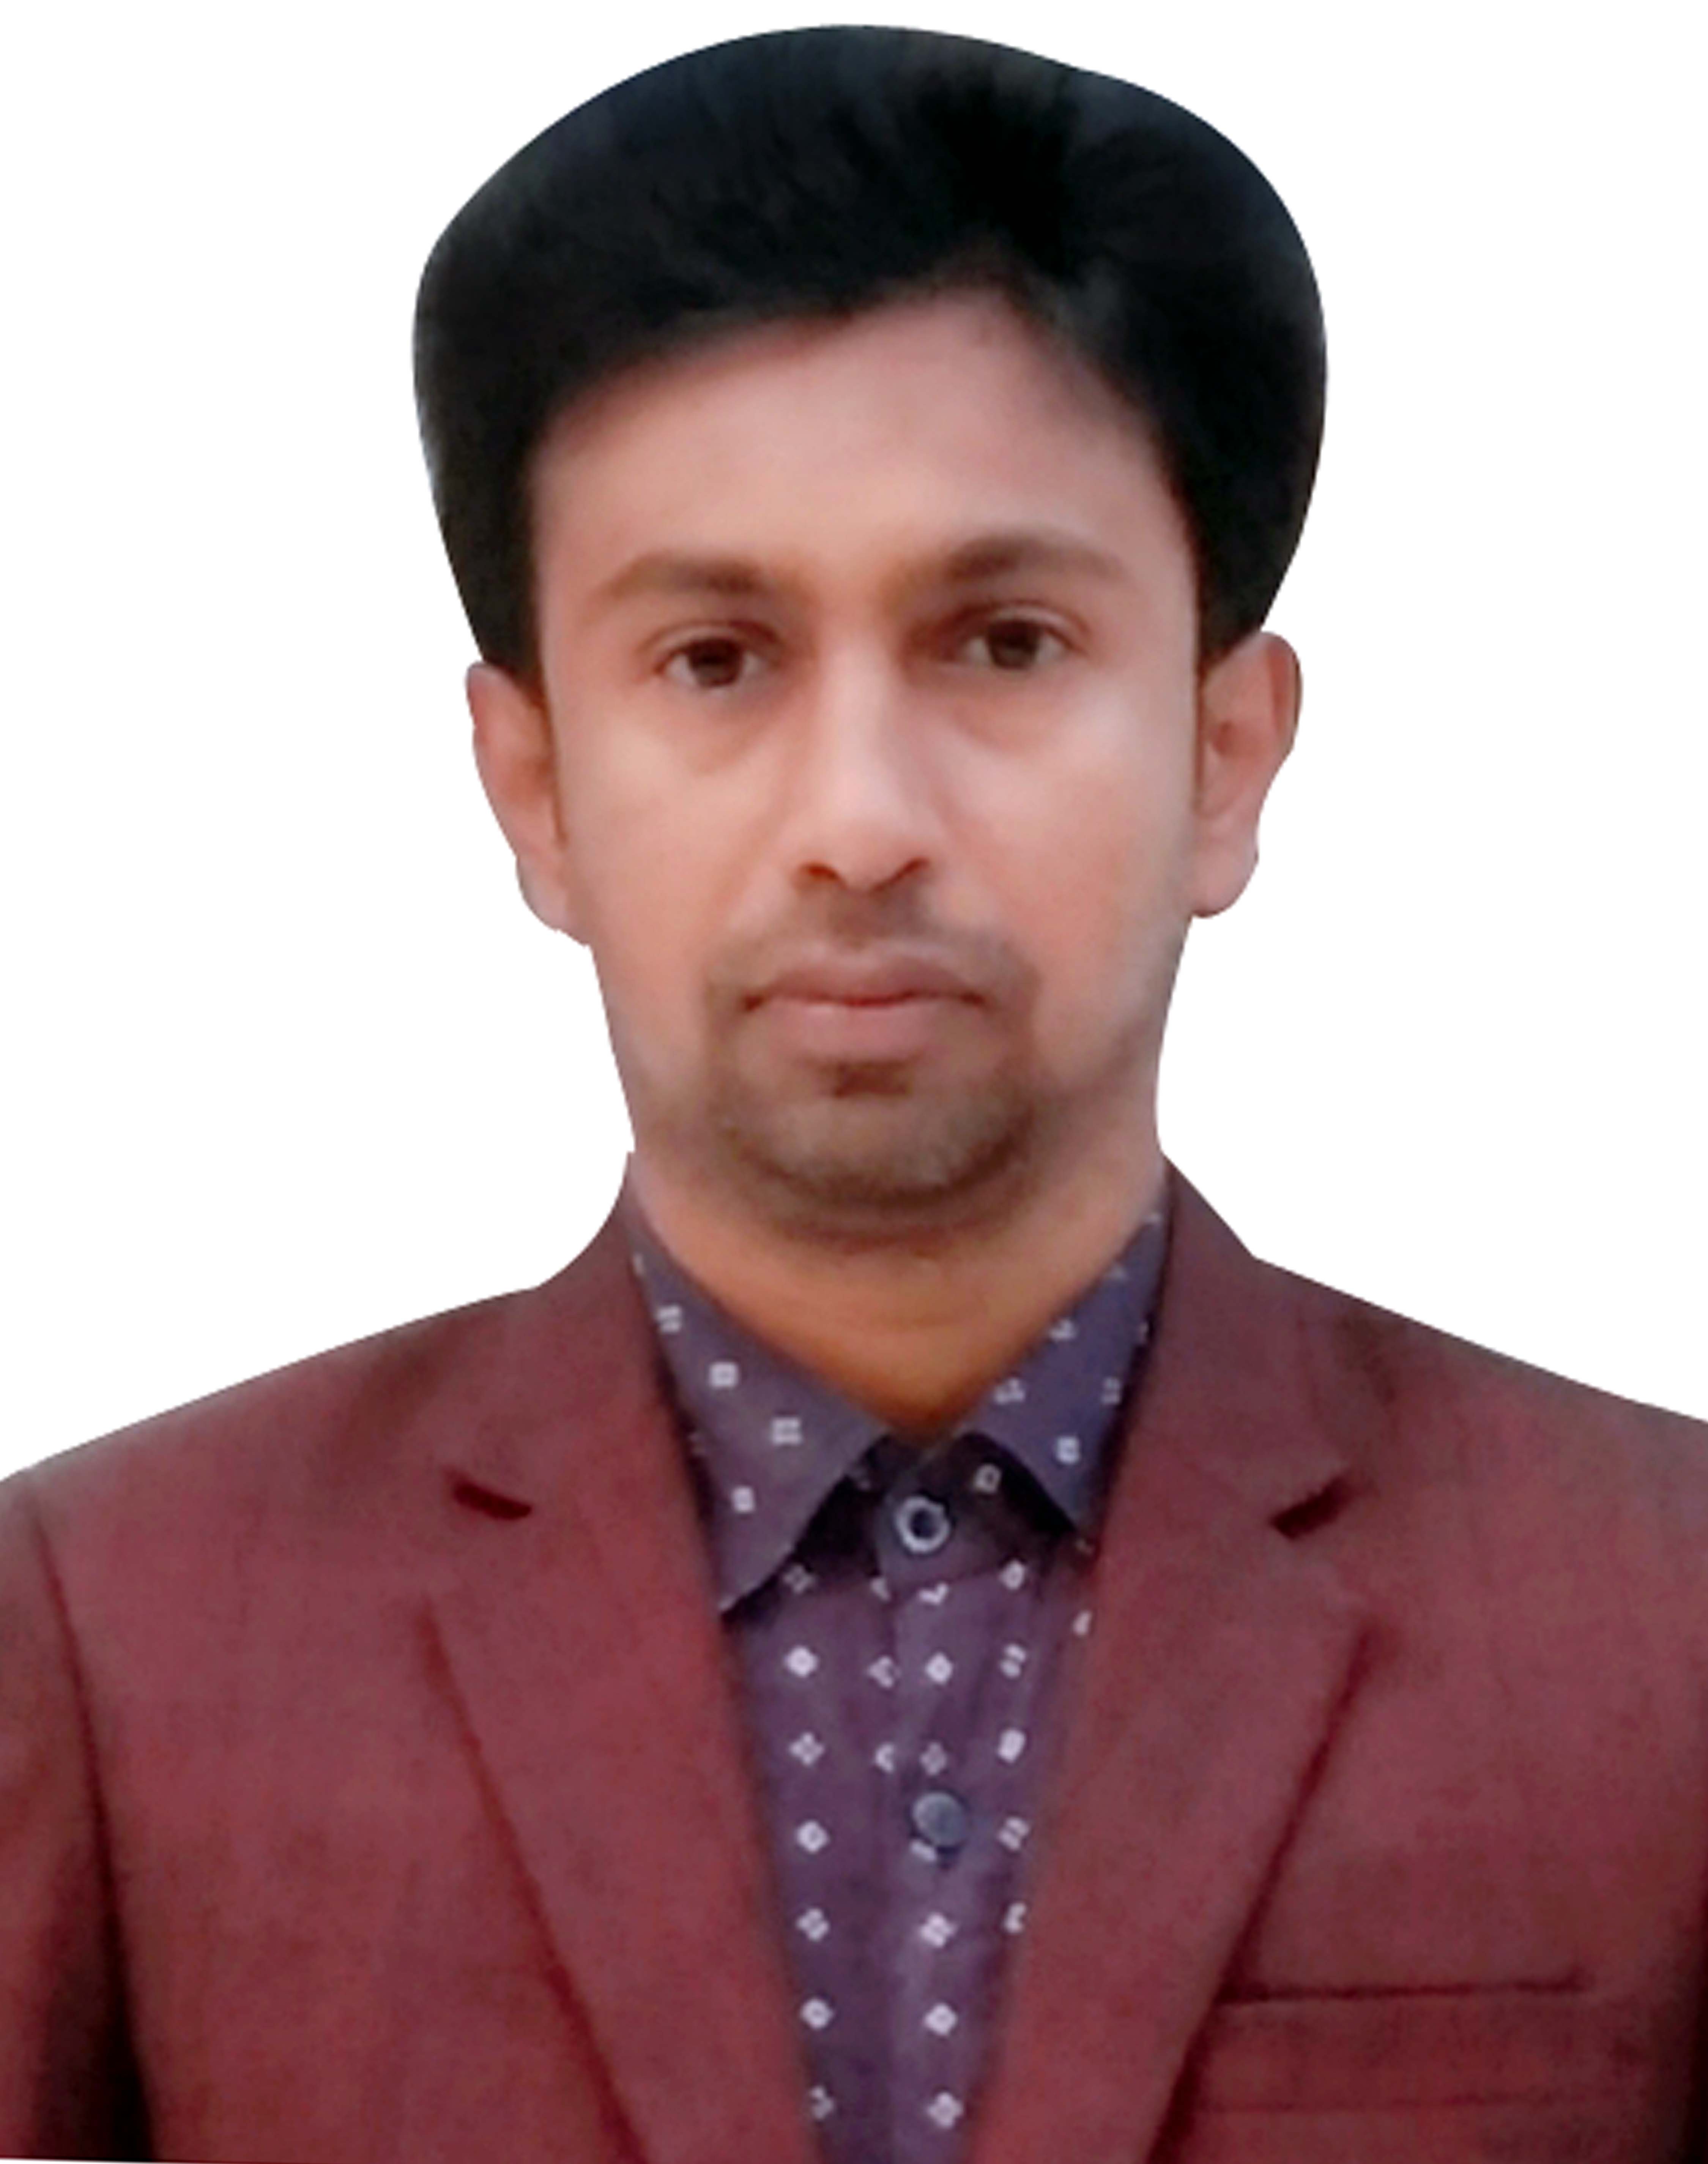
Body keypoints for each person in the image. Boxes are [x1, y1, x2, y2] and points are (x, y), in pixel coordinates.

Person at [2, 23, 1704, 2162]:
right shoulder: (108, 1627)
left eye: (1003, 643)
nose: (860, 820)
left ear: (1225, 755)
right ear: (533, 786)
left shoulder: (1660, 1613)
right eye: (714, 662)